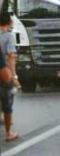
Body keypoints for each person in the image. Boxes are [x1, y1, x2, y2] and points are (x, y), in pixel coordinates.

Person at [0, 13, 20, 141]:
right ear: (9, 22)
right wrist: (14, 76)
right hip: (4, 72)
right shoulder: (9, 36)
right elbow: (11, 57)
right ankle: (8, 132)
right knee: (7, 102)